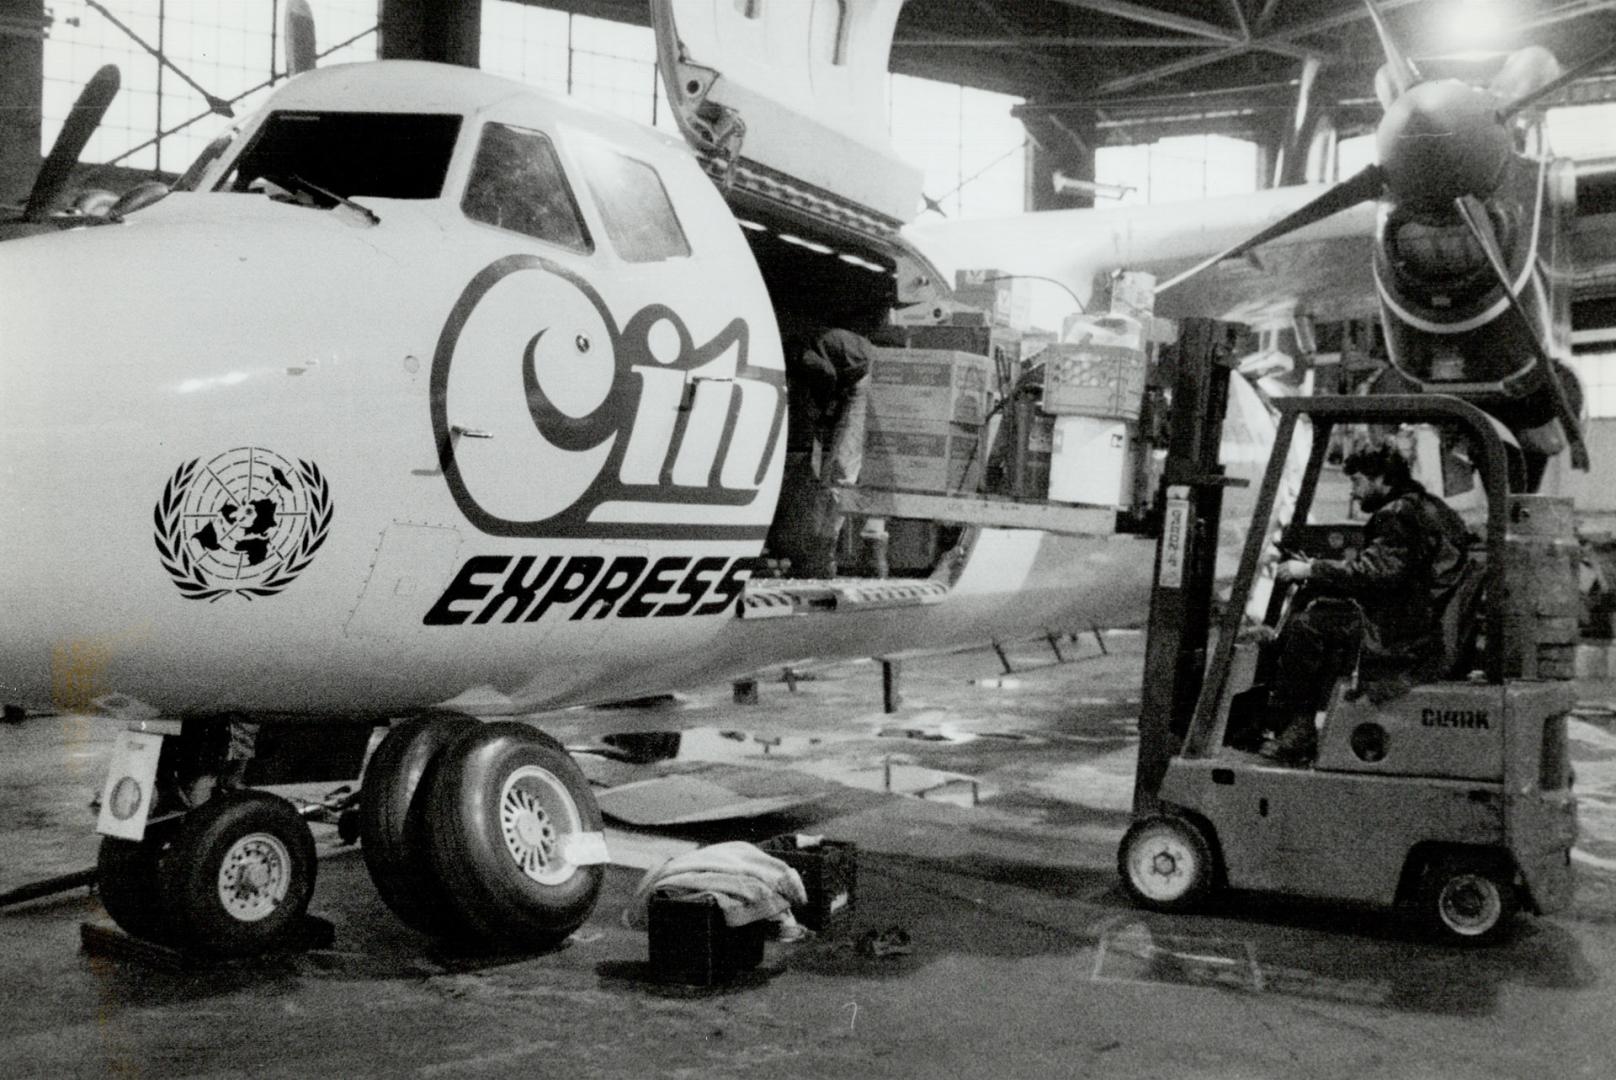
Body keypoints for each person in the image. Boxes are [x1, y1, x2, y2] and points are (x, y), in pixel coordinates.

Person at [1267, 441, 1474, 764]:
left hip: (1406, 631)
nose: (1354, 491)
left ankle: (1297, 727)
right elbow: (1390, 571)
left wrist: (1309, 569)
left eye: (1358, 481)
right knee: (1325, 609)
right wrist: (1323, 572)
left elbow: (1374, 574)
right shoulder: (1428, 506)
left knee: (1308, 626)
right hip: (1423, 618)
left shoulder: (1398, 514)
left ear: (1381, 479)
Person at [766, 326, 874, 578]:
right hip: (856, 374)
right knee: (831, 469)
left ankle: (823, 554)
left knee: (840, 469)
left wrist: (825, 412)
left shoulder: (796, 353)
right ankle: (820, 548)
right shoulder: (800, 345)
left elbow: (826, 375)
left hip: (862, 379)